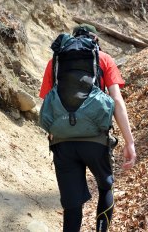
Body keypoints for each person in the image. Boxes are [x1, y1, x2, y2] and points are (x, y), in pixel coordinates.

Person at [39, 24, 137, 232]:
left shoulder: (55, 62)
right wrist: (129, 142)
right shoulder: (104, 59)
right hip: (95, 140)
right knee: (105, 186)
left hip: (62, 142)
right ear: (94, 39)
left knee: (72, 205)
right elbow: (117, 102)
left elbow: (47, 101)